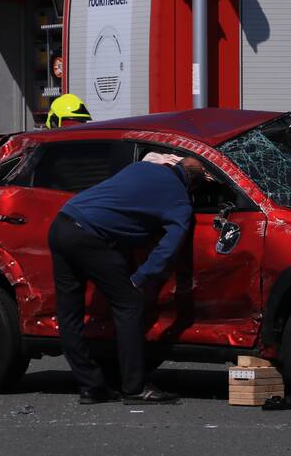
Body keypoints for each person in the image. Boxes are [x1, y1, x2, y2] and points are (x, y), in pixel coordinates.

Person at [47, 154, 207, 404]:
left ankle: (90, 387)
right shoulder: (180, 200)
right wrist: (141, 277)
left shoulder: (141, 167)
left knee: (69, 314)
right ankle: (135, 388)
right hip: (89, 237)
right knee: (129, 304)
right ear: (193, 186)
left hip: (62, 223)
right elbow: (168, 248)